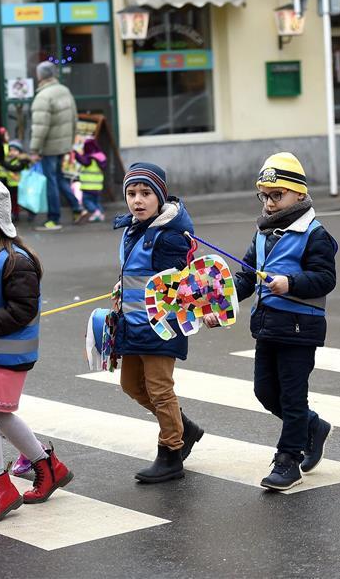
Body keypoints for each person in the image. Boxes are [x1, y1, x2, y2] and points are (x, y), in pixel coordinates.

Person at [205, 153, 337, 490]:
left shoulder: (315, 234)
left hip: (300, 328)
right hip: (267, 326)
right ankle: (312, 427)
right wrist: (220, 306)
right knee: (265, 392)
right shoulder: (263, 232)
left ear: (298, 195)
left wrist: (289, 282)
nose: (269, 202)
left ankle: (288, 461)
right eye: (264, 195)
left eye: (276, 195)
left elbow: (324, 278)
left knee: (293, 398)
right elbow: (246, 277)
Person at [0, 178, 73, 524]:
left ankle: (1, 487)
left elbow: (21, 311)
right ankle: (48, 467)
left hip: (11, 353)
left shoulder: (16, 261)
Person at [113, 163, 204, 483]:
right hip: (133, 323)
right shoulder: (133, 227)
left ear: (160, 196)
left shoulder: (169, 236)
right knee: (131, 385)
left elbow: (177, 283)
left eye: (146, 193)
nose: (138, 200)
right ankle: (183, 428)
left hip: (161, 325)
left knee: (159, 389)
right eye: (131, 193)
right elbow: (138, 274)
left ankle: (171, 452)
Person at [28, 61, 85, 230]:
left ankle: (54, 218)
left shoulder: (43, 96)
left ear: (40, 76)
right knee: (59, 178)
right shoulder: (64, 91)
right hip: (63, 144)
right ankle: (77, 208)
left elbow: (40, 127)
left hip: (49, 147)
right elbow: (74, 117)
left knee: (51, 180)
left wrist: (34, 149)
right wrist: (70, 141)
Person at [75, 138, 107, 223]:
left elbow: (83, 161)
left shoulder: (89, 158)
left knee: (86, 201)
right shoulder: (101, 157)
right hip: (98, 186)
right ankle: (101, 215)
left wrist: (76, 154)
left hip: (88, 186)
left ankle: (96, 212)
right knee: (96, 201)